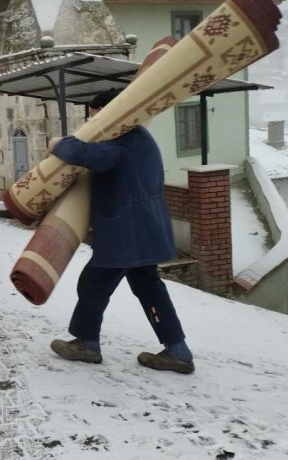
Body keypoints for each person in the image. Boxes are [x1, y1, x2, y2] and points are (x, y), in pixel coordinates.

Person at [47, 89, 195, 374]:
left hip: (127, 231)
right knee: (148, 286)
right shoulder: (137, 135)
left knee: (94, 283)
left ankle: (87, 344)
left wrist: (56, 143)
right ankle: (178, 350)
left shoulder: (121, 139)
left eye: (94, 118)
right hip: (142, 228)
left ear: (109, 114)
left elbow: (86, 154)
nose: (92, 124)